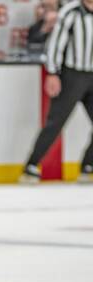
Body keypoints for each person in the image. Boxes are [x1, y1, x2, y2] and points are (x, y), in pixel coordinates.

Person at [20, 0, 93, 184]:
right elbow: (55, 45)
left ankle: (88, 166)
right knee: (56, 122)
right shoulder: (70, 12)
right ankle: (31, 165)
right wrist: (53, 73)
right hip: (72, 75)